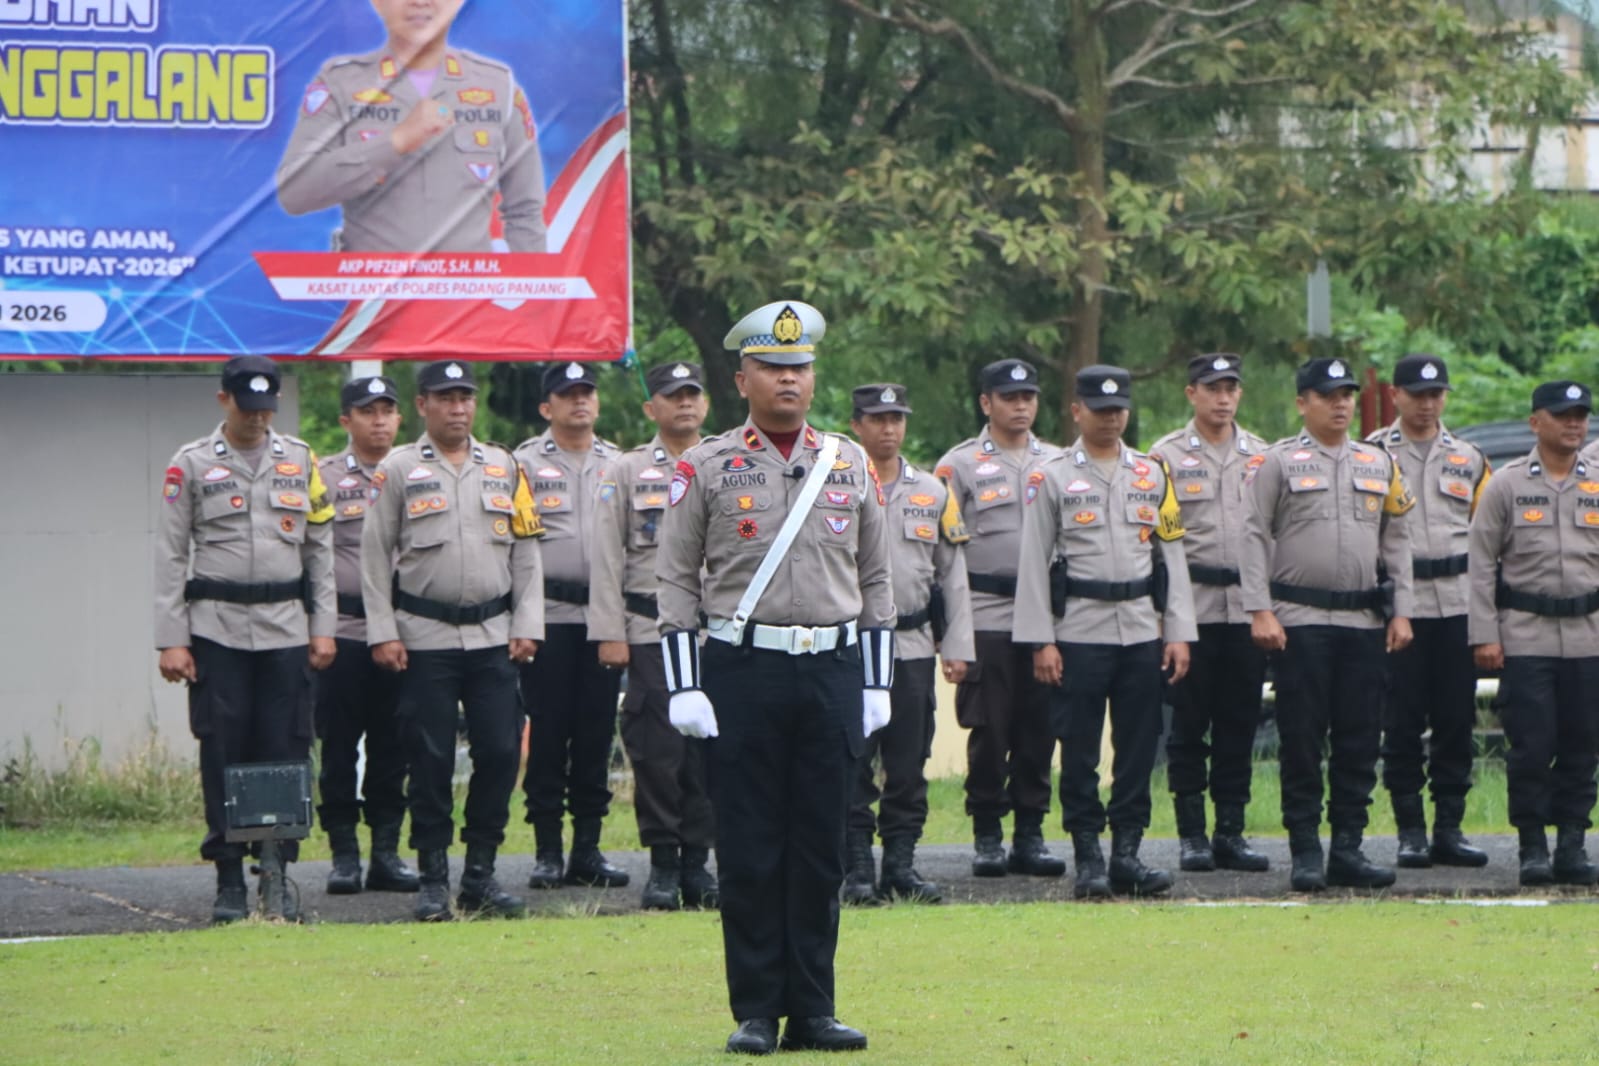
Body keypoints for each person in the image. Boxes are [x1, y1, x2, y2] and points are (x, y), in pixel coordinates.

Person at [656, 300, 893, 1055]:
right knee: (750, 843)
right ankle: (757, 1009)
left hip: (831, 668)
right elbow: (674, 580)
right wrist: (683, 683)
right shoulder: (706, 466)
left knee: (822, 846)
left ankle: (814, 1009)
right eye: (771, 367)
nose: (788, 379)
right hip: (743, 668)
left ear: (813, 376)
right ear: (742, 379)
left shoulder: (848, 462)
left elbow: (877, 578)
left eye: (799, 367)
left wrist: (877, 681)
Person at [153, 356, 337, 923]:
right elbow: (170, 554)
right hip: (217, 629)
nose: (258, 418)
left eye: (266, 408)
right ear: (224, 401)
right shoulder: (190, 463)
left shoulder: (301, 460)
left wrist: (323, 626)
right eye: (248, 407)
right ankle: (229, 877)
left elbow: (320, 550)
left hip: (286, 627)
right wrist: (171, 638)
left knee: (286, 749)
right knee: (223, 750)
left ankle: (277, 873)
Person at [361, 359, 545, 921]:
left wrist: (527, 623)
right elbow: (374, 556)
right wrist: (382, 631)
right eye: (445, 398)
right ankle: (434, 879)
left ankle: (480, 875)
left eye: (465, 397)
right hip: (424, 638)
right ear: (422, 405)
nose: (458, 408)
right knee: (430, 758)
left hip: (494, 636)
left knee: (500, 752)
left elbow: (526, 550)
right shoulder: (398, 469)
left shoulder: (504, 466)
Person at [1014, 365, 1197, 898]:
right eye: (1100, 409)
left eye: (1118, 410)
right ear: (1077, 411)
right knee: (1080, 750)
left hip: (1140, 628)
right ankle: (1088, 855)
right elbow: (1034, 561)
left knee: (1139, 746)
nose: (1110, 418)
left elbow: (1172, 556)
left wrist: (1178, 631)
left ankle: (1127, 854)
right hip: (1079, 629)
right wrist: (1041, 640)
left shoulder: (1151, 474)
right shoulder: (1051, 476)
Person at [1240, 356, 1415, 892]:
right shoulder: (1277, 462)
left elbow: (1397, 538)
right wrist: (1259, 608)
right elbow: (1252, 533)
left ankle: (1348, 849)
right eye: (1327, 395)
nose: (1340, 404)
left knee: (1359, 739)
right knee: (1301, 740)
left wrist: (1403, 609)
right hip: (1301, 619)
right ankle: (1305, 851)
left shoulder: (1378, 461)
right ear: (1303, 403)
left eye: (1346, 395)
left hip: (1363, 620)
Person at [588, 361, 717, 911]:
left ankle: (698, 862)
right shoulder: (625, 469)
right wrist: (609, 631)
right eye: (672, 395)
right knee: (658, 749)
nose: (684, 403)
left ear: (705, 404)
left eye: (692, 394)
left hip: (717, 633)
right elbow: (605, 556)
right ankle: (663, 861)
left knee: (709, 750)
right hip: (649, 629)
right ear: (651, 407)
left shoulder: (729, 462)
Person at [934, 359, 1067, 879]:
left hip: (1046, 618)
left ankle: (1030, 834)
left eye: (1028, 397)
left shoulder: (1057, 462)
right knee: (989, 732)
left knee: (1039, 729)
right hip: (986, 613)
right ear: (986, 403)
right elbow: (945, 557)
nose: (1021, 406)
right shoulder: (959, 465)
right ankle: (987, 832)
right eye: (1009, 398)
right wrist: (953, 633)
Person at [844, 383, 975, 904]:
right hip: (851, 648)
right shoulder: (836, 484)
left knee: (907, 761)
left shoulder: (933, 491)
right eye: (877, 419)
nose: (889, 429)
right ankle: (856, 867)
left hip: (913, 646)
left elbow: (952, 576)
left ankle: (901, 864)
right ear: (856, 425)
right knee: (851, 760)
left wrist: (957, 645)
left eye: (896, 418)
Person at [276, 0, 546, 253]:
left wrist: (532, 286)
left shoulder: (498, 87)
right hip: (372, 286)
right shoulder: (341, 83)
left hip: (467, 287)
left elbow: (525, 211)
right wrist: (396, 141)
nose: (420, 2)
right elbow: (295, 192)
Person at [1469, 380, 1599, 887]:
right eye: (1563, 415)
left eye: (1580, 415)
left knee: (1583, 745)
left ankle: (1572, 844)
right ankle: (1532, 846)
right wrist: (1484, 634)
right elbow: (1481, 563)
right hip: (1526, 637)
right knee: (1530, 746)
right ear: (1535, 422)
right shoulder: (1506, 485)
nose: (1574, 424)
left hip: (1588, 636)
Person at [1368, 354, 1492, 869]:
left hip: (1458, 604)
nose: (1427, 404)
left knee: (1456, 721)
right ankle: (1410, 832)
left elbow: (1490, 538)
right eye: (1417, 395)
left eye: (1436, 394)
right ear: (1395, 395)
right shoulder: (1372, 454)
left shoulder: (1469, 458)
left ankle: (1449, 829)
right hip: (1401, 606)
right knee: (1401, 722)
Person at [1149, 354, 1271, 874]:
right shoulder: (1164, 457)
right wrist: (1164, 619)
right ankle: (1192, 835)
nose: (1223, 398)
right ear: (1191, 393)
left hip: (1245, 609)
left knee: (1238, 726)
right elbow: (1154, 544)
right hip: (1191, 610)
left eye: (1231, 388)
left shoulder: (1262, 456)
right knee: (1187, 727)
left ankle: (1231, 833)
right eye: (1212, 388)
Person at [514, 362, 629, 890]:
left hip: (604, 618)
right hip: (548, 617)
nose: (580, 401)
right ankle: (546, 850)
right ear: (547, 407)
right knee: (548, 734)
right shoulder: (522, 464)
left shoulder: (620, 464)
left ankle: (587, 848)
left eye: (587, 393)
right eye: (567, 394)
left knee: (595, 734)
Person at [314, 375, 419, 896]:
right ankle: (343, 855)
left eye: (386, 411)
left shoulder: (418, 472)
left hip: (405, 630)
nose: (379, 421)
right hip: (345, 630)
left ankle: (385, 853)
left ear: (400, 418)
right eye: (367, 411)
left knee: (393, 746)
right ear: (346, 421)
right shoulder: (325, 477)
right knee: (338, 746)